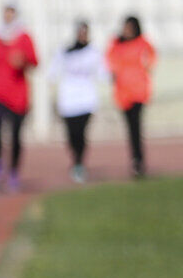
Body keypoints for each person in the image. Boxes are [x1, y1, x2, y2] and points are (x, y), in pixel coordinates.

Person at [0, 4, 37, 192]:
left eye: (11, 13)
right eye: (6, 13)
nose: (8, 17)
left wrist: (22, 59)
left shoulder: (24, 37)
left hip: (17, 93)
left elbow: (34, 60)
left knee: (15, 134)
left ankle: (14, 171)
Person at [48, 20, 106, 183]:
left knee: (81, 133)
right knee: (71, 134)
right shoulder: (65, 51)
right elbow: (52, 72)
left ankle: (79, 162)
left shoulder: (93, 52)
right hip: (68, 100)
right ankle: (76, 158)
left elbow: (103, 73)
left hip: (86, 100)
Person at [106, 15, 156, 178]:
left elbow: (152, 57)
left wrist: (147, 67)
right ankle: (136, 159)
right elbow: (109, 59)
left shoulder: (141, 42)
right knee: (130, 127)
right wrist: (113, 72)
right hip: (123, 92)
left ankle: (138, 160)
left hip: (138, 91)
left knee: (136, 125)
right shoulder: (117, 43)